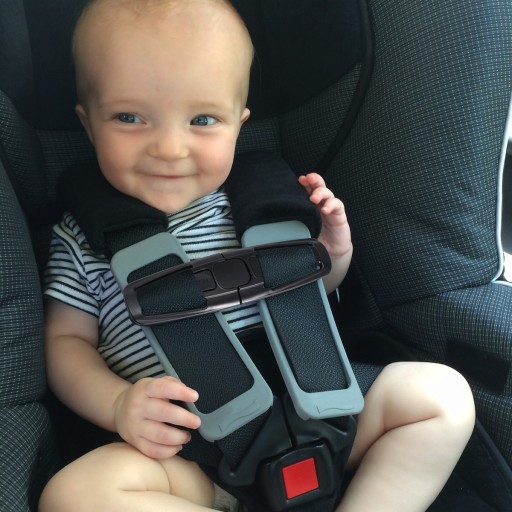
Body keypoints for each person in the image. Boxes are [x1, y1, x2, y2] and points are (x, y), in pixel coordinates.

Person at [39, 0, 476, 511]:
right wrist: (117, 404)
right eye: (129, 117)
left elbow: (311, 293)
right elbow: (66, 343)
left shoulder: (262, 209)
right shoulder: (82, 241)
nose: (170, 147)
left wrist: (332, 253)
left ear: (238, 124)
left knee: (441, 396)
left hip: (327, 413)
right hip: (197, 453)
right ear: (89, 124)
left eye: (203, 119)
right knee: (72, 494)